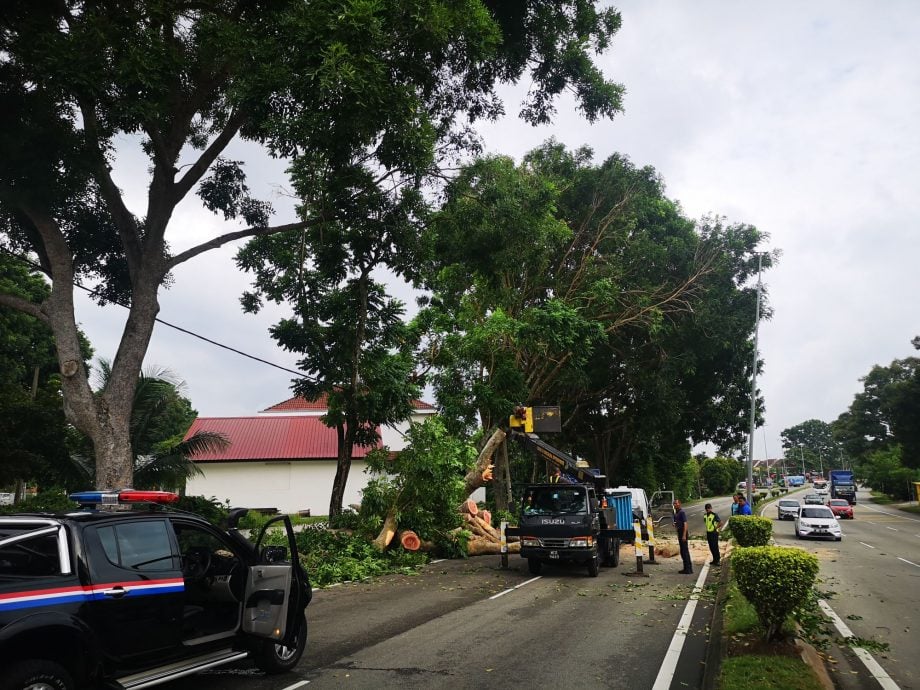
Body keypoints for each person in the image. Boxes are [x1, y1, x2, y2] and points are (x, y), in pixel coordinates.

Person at [673, 499, 692, 574]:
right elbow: (678, 523)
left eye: (676, 503)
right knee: (682, 551)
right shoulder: (676, 513)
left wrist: (684, 535)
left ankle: (688, 569)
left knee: (685, 551)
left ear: (679, 504)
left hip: (683, 533)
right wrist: (675, 524)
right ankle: (686, 568)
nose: (675, 505)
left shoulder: (682, 512)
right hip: (679, 532)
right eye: (674, 504)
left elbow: (685, 524)